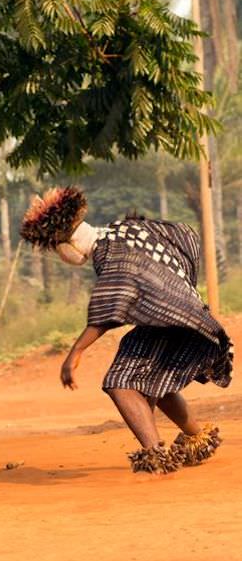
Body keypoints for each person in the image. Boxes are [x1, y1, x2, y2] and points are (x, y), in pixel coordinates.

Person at [20, 186, 233, 474]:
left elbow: (112, 303)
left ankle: (156, 457)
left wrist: (76, 353)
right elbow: (184, 236)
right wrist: (180, 288)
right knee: (154, 380)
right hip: (188, 315)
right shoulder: (125, 230)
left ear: (68, 247)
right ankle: (199, 438)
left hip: (172, 320)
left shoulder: (109, 253)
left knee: (120, 382)